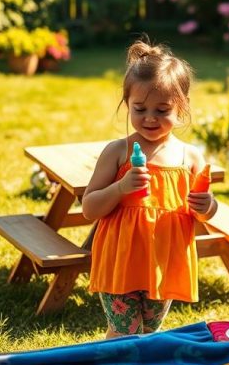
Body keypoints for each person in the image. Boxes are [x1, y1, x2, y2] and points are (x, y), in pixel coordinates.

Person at [83, 39, 217, 337]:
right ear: (127, 104)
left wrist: (207, 206)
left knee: (149, 332)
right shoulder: (118, 151)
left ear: (181, 108)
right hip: (120, 260)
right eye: (140, 109)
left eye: (162, 109)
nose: (150, 118)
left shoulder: (189, 157)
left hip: (163, 264)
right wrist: (120, 188)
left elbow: (206, 214)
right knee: (123, 334)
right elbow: (89, 208)